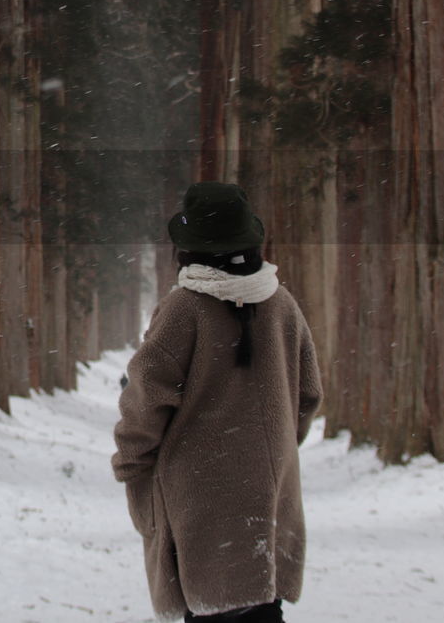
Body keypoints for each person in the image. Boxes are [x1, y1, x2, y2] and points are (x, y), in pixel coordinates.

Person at [112, 182, 322, 623]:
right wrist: (273, 448)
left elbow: (146, 398)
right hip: (271, 497)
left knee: (211, 610)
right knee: (262, 608)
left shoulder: (183, 309)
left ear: (188, 249)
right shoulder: (283, 305)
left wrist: (131, 462)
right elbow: (307, 396)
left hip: (198, 502)